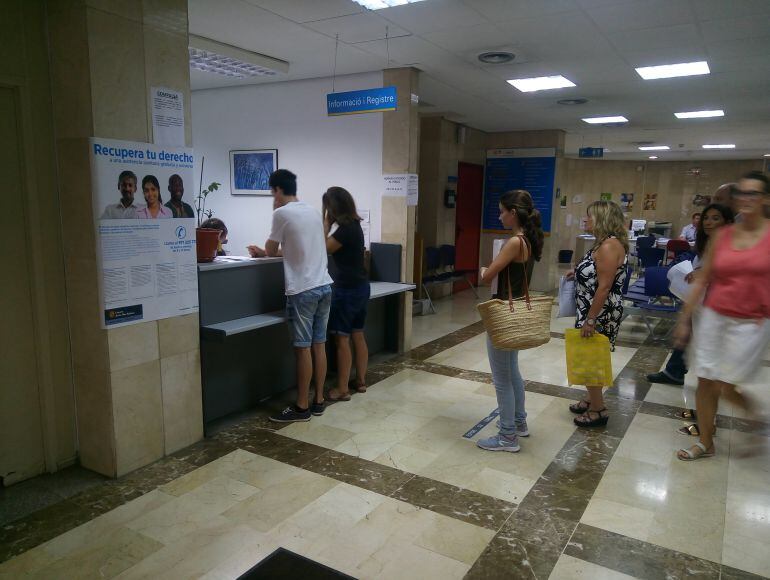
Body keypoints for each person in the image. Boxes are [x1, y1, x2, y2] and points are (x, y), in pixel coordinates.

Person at [675, 171, 770, 461]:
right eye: (742, 193)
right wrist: (684, 318)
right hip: (716, 314)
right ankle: (705, 441)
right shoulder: (724, 235)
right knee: (705, 379)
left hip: (751, 321)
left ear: (765, 199)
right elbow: (704, 278)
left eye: (753, 193)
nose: (746, 199)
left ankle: (754, 413)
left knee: (726, 384)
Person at [260, 170, 333, 423]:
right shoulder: (313, 210)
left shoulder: (280, 213)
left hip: (302, 290)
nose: (273, 196)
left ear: (277, 190)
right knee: (319, 345)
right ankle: (319, 400)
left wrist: (275, 209)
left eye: (272, 192)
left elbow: (269, 250)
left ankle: (302, 408)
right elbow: (301, 250)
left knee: (302, 350)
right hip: (324, 285)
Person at [476, 190, 544, 452]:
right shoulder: (527, 239)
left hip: (503, 313)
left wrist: (483, 269)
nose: (499, 215)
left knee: (501, 378)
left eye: (502, 211)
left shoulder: (514, 242)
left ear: (513, 213)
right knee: (511, 370)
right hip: (514, 313)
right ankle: (519, 422)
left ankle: (507, 437)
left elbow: (487, 275)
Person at [647, 203, 735, 388]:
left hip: (717, 305)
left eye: (715, 218)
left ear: (727, 222)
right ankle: (682, 375)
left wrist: (704, 273)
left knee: (708, 352)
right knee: (697, 349)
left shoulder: (731, 245)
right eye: (706, 218)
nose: (709, 222)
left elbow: (730, 273)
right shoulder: (707, 243)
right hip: (699, 301)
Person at [568, 201, 629, 428]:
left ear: (602, 219)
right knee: (589, 355)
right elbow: (595, 272)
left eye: (590, 217)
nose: (585, 220)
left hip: (599, 312)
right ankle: (591, 398)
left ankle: (598, 409)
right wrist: (576, 273)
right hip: (592, 308)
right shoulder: (602, 244)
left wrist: (591, 319)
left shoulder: (609, 246)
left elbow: (604, 287)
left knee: (591, 359)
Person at [322, 187, 370, 402]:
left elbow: (323, 248)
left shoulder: (343, 230)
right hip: (361, 286)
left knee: (342, 339)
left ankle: (342, 389)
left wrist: (325, 225)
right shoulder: (356, 225)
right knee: (358, 334)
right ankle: (360, 380)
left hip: (346, 290)